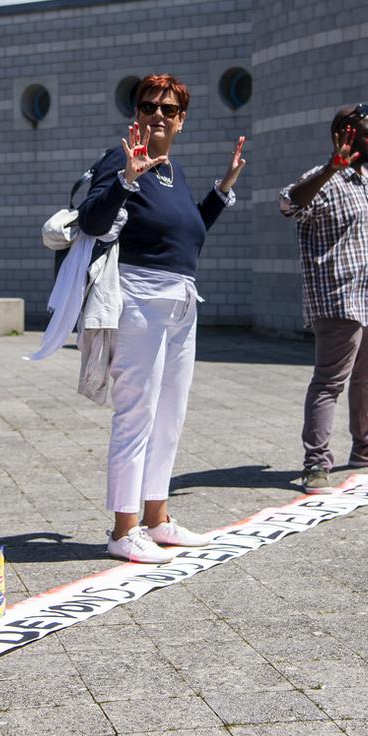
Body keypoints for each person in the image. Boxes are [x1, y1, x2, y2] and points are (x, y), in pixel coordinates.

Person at [76, 74, 246, 563]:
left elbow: (186, 233)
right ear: (136, 113)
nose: (157, 114)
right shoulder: (122, 157)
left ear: (181, 120)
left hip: (181, 302)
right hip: (139, 299)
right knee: (137, 414)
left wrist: (223, 189)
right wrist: (127, 178)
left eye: (168, 109)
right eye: (149, 105)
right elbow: (91, 221)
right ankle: (123, 529)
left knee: (170, 416)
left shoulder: (174, 170)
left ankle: (156, 519)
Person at [279, 104, 368, 495]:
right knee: (329, 381)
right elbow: (290, 203)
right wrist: (330, 168)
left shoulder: (360, 182)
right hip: (338, 299)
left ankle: (365, 446)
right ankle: (316, 464)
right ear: (344, 133)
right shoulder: (326, 179)